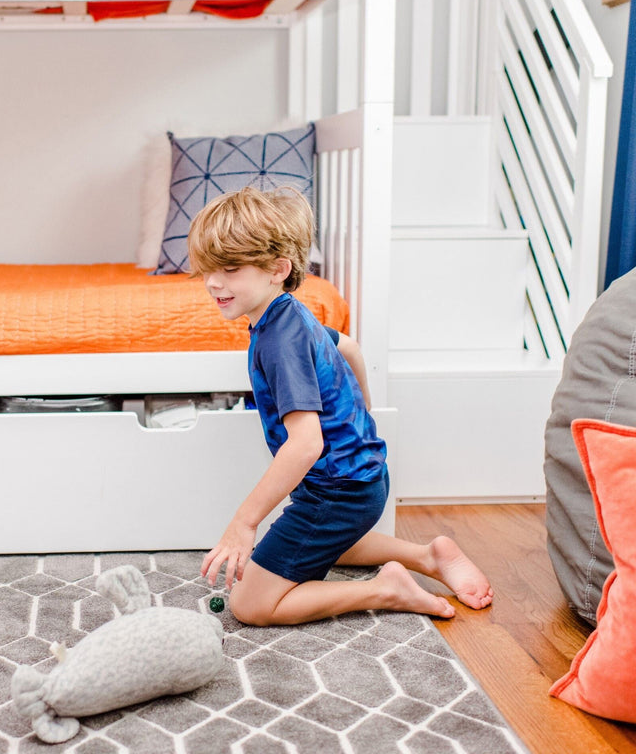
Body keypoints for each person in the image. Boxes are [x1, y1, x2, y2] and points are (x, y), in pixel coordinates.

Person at [187, 186, 494, 627]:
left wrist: (243, 523)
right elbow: (348, 346)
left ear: (278, 269)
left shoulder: (277, 340)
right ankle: (427, 557)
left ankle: (385, 590)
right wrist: (363, 413)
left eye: (230, 269)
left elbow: (306, 444)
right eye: (208, 270)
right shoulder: (291, 312)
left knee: (249, 604)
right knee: (329, 543)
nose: (214, 283)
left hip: (337, 492)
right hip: (360, 481)